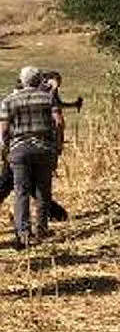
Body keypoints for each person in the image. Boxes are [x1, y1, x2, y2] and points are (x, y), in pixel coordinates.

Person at [0, 66, 64, 249]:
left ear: (22, 81)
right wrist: (58, 144)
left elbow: (3, 130)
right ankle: (42, 230)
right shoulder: (48, 98)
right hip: (44, 149)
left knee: (21, 191)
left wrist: (5, 150)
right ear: (39, 81)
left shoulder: (9, 100)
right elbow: (59, 122)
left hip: (19, 151)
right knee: (43, 191)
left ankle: (23, 232)